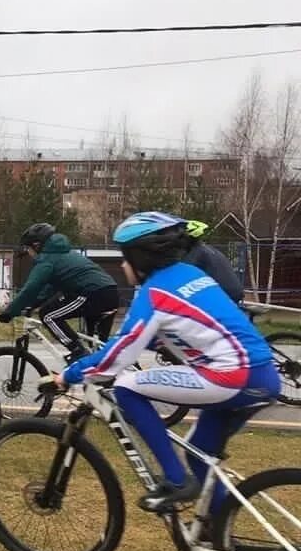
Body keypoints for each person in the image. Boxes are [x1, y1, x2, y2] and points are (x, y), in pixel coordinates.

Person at [59, 211, 279, 521]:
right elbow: (186, 328)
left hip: (232, 376)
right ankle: (218, 538)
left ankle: (175, 480)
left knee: (126, 386)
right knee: (199, 453)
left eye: (124, 258)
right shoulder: (193, 276)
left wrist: (67, 374)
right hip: (261, 375)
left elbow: (116, 358)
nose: (122, 266)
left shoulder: (154, 293)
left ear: (140, 257)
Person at [0, 222, 119, 360]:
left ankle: (77, 351)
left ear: (37, 246)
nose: (29, 253)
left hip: (92, 294)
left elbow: (31, 288)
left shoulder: (46, 260)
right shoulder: (64, 253)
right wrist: (32, 305)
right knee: (98, 348)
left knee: (49, 315)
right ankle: (117, 373)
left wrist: (9, 312)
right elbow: (49, 289)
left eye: (28, 249)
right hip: (110, 291)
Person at [183, 219, 245, 304]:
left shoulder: (195, 254)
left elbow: (183, 276)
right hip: (234, 292)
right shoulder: (209, 249)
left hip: (224, 294)